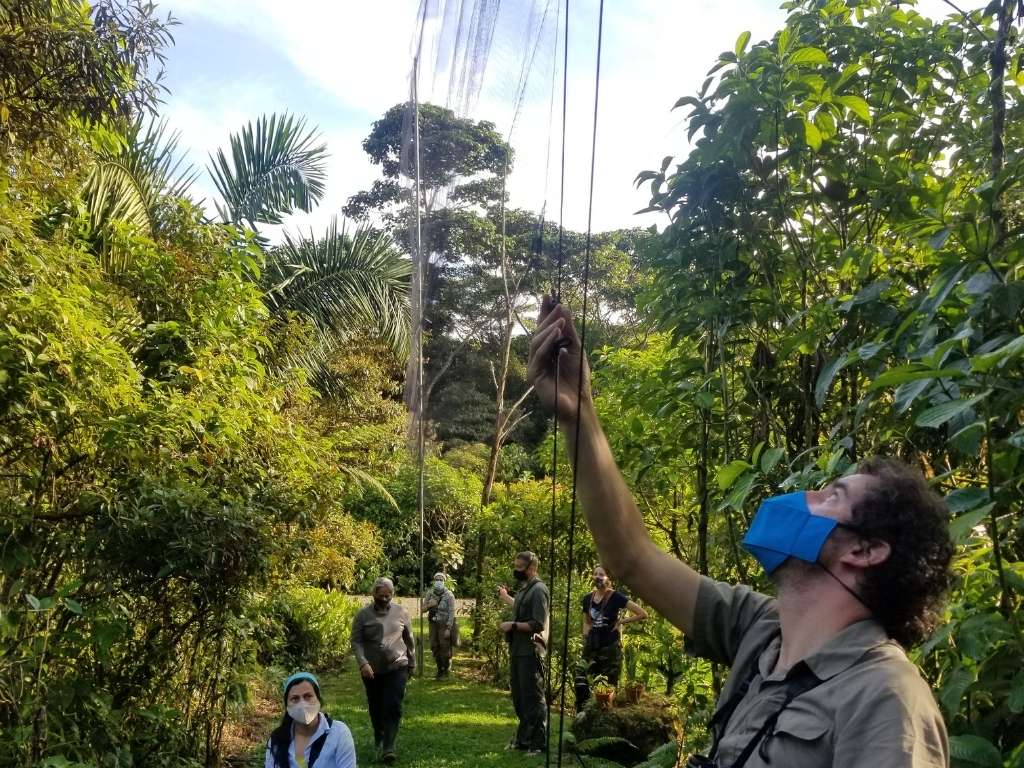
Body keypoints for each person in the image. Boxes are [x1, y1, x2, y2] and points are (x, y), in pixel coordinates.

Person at [527, 295, 954, 767]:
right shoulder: (762, 630)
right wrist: (579, 411)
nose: (802, 498)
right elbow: (632, 557)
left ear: (866, 550)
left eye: (831, 496)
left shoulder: (887, 699)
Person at [350, 577, 415, 764]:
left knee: (393, 705)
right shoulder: (363, 615)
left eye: (389, 595)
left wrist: (412, 663)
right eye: (381, 596)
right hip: (372, 670)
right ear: (374, 595)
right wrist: (363, 663)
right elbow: (356, 641)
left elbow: (409, 639)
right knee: (376, 706)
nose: (385, 599)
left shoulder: (401, 611)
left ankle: (389, 746)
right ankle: (379, 733)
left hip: (397, 665)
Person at [496, 550, 550, 755]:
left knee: (533, 698)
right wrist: (505, 596)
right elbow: (519, 605)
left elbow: (538, 623)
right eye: (515, 566)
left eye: (521, 568)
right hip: (518, 650)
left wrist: (513, 625)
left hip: (531, 650)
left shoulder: (539, 590)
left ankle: (538, 743)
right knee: (519, 698)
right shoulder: (524, 588)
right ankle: (523, 739)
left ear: (532, 568)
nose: (517, 571)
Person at [574, 564, 647, 706]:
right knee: (584, 681)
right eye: (595, 574)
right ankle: (584, 715)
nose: (598, 577)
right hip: (592, 647)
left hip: (610, 649)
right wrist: (585, 641)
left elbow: (642, 614)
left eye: (601, 574)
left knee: (608, 688)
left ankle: (605, 718)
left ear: (608, 578)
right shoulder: (587, 599)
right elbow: (586, 622)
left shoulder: (615, 597)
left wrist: (621, 621)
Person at [265, 671, 356, 768]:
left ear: (318, 699)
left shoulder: (339, 733)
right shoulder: (277, 739)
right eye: (295, 698)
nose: (302, 704)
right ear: (287, 706)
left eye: (308, 696)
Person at [421, 571, 457, 679]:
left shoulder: (449, 595)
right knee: (434, 646)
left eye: (441, 580)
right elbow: (422, 609)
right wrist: (429, 605)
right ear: (434, 581)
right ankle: (439, 669)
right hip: (433, 624)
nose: (439, 582)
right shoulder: (430, 593)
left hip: (444, 624)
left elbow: (452, 612)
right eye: (437, 579)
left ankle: (445, 670)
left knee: (444, 646)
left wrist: (449, 628)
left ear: (444, 581)